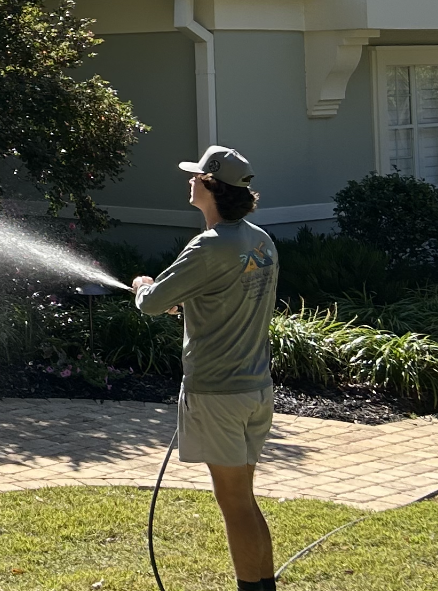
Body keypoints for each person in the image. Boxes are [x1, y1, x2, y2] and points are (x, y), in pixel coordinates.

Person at [132, 145, 280, 591]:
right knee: (245, 500)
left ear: (211, 186)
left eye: (197, 176)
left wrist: (143, 287)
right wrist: (192, 303)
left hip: (218, 393)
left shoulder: (209, 245)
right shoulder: (259, 240)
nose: (190, 181)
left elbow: (152, 303)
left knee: (233, 504)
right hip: (256, 389)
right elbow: (227, 295)